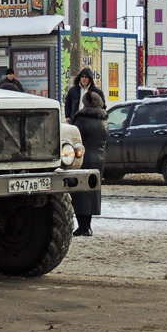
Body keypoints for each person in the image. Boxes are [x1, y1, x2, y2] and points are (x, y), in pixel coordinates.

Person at [70, 91, 108, 236]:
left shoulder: (82, 118)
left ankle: (83, 226)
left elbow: (75, 137)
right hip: (99, 159)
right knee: (92, 192)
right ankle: (88, 225)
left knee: (80, 193)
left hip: (83, 158)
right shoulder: (103, 118)